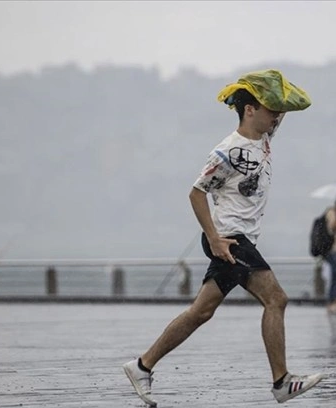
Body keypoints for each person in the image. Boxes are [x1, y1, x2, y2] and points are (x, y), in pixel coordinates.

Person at [122, 73, 325, 406]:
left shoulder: (264, 137)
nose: (276, 116)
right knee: (276, 299)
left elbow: (296, 103)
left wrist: (271, 83)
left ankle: (142, 365)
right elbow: (196, 194)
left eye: (276, 111)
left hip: (237, 240)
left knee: (201, 312)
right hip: (230, 239)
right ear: (249, 110)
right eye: (268, 109)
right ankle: (281, 381)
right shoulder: (227, 151)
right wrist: (215, 239)